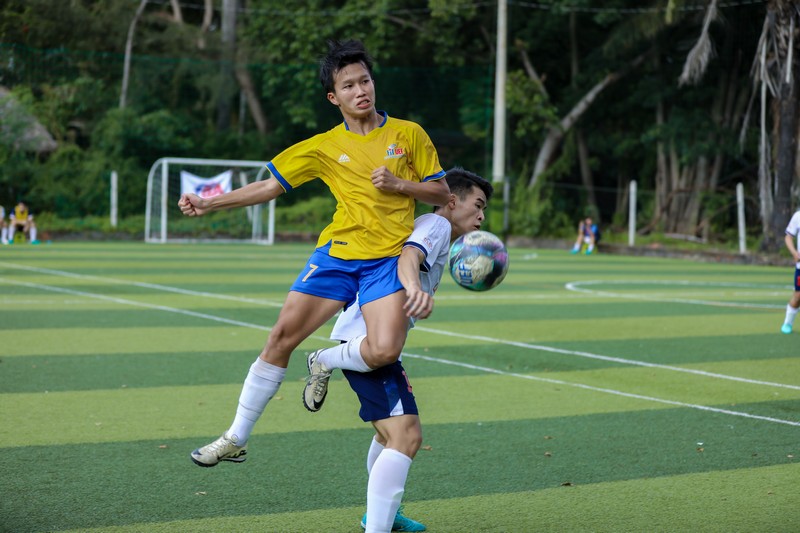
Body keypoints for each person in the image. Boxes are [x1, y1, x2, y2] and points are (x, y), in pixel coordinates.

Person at [180, 39, 449, 479]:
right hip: (338, 256)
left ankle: (324, 360)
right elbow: (269, 185)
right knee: (280, 338)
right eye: (349, 85)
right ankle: (235, 437)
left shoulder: (409, 134)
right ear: (333, 97)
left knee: (385, 350)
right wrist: (210, 203)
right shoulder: (323, 146)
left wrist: (400, 185)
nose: (360, 90)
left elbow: (441, 191)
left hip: (387, 260)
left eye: (365, 81)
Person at [325, 168, 493, 533]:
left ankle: (384, 514)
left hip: (371, 336)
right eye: (478, 205)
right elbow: (408, 257)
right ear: (452, 201)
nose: (482, 216)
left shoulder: (439, 231)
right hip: (368, 338)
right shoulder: (438, 225)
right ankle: (378, 525)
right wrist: (414, 288)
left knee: (388, 435)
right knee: (407, 436)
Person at [780, 210, 800, 334]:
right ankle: (788, 322)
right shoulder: (798, 216)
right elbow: (788, 237)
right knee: (798, 296)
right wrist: (794, 253)